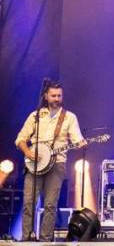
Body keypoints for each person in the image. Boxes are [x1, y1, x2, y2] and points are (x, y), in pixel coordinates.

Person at [15, 81, 84, 241]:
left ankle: (46, 240)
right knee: (28, 203)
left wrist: (81, 143)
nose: (57, 98)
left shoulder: (69, 117)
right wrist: (28, 152)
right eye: (53, 95)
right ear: (46, 96)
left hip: (57, 163)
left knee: (50, 205)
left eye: (59, 95)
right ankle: (26, 238)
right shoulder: (35, 115)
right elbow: (20, 139)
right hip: (34, 164)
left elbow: (77, 140)